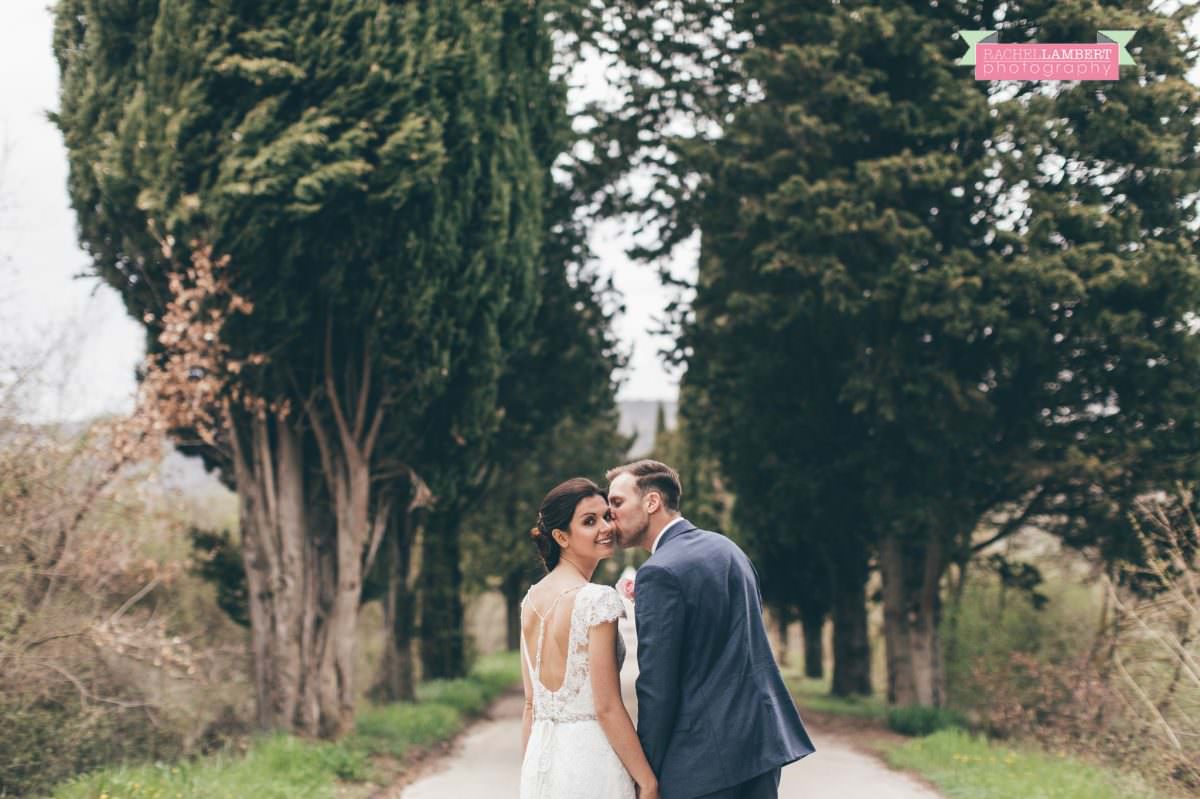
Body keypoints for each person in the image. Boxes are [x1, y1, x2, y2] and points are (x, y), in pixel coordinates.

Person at [606, 460, 815, 799]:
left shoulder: (659, 573)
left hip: (703, 761)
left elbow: (658, 687)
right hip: (761, 746)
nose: (610, 515)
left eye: (616, 503)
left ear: (652, 502)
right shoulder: (728, 549)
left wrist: (646, 772)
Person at [518, 477, 659, 799]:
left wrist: (529, 774)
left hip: (542, 762)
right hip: (592, 763)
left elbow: (531, 705)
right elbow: (606, 705)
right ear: (561, 536)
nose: (606, 527)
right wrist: (647, 781)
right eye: (589, 521)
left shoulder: (531, 600)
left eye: (606, 516)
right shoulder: (597, 600)